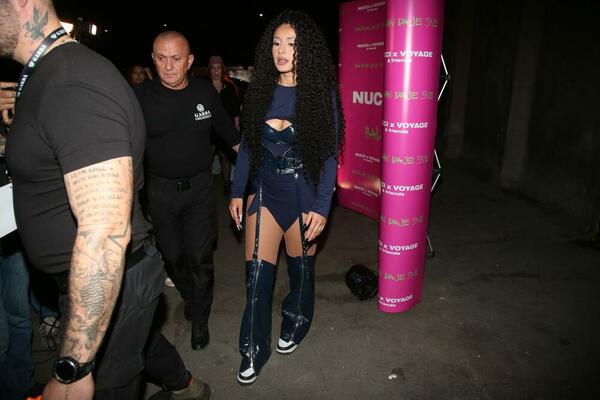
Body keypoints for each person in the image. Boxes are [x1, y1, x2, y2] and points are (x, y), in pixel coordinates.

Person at [0, 1, 210, 399]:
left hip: (108, 277)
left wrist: (74, 366)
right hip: (101, 280)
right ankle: (186, 385)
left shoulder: (72, 82)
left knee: (113, 373)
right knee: (139, 340)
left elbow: (105, 232)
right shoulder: (51, 76)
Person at [228, 10, 345, 385]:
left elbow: (329, 156)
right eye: (276, 43)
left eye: (291, 44)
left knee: (301, 273)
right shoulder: (259, 90)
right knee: (256, 279)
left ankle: (296, 322)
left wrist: (322, 208)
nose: (282, 51)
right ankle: (252, 348)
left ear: (305, 49)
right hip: (264, 194)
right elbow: (248, 148)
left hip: (303, 197)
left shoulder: (320, 95)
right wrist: (236, 191)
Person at [134, 31, 240, 351]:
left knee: (200, 258)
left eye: (176, 58)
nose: (168, 66)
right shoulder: (139, 97)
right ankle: (191, 295)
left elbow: (229, 134)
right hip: (160, 192)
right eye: (161, 58)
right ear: (153, 60)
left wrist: (261, 166)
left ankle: (200, 318)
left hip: (199, 191)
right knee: (172, 256)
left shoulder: (204, 92)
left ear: (190, 61)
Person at [208, 55, 241, 194]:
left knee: (225, 157)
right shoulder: (204, 87)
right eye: (213, 68)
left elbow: (235, 109)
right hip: (208, 129)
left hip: (225, 129)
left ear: (222, 70)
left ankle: (226, 185)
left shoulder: (229, 87)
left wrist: (236, 128)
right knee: (206, 158)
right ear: (209, 70)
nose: (216, 71)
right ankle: (206, 187)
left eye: (218, 68)